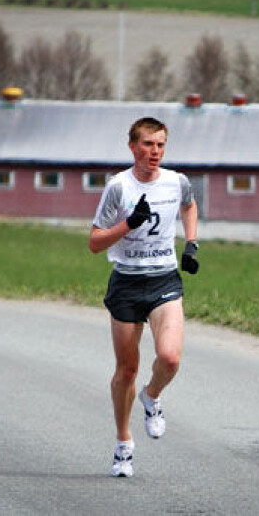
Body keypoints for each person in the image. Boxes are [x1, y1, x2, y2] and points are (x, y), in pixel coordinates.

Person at [89, 116, 200, 478]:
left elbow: (189, 204)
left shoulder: (176, 181)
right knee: (127, 370)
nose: (155, 151)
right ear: (133, 147)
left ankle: (152, 397)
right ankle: (124, 445)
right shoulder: (118, 187)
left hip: (164, 279)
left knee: (169, 357)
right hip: (126, 283)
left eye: (161, 144)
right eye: (148, 144)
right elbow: (94, 242)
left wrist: (192, 242)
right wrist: (128, 225)